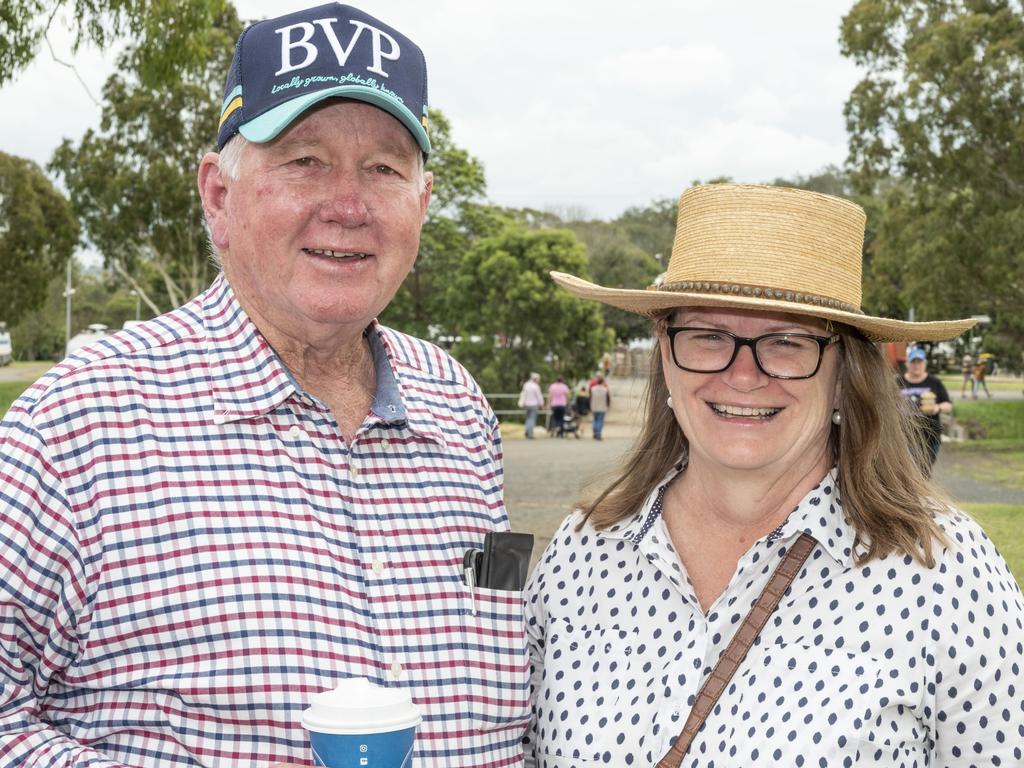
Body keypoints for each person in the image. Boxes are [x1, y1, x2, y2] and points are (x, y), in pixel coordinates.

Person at [0, 6, 529, 766]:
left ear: (422, 200)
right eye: (304, 160)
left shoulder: (460, 407)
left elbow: (496, 628)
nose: (347, 206)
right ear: (218, 195)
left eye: (384, 168)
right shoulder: (75, 427)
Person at [524, 184, 1023, 766]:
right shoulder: (582, 553)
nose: (742, 375)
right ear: (666, 351)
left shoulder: (945, 572)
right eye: (707, 336)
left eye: (786, 341)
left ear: (843, 372)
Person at [897, 347, 952, 466]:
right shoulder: (898, 381)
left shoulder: (934, 382)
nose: (916, 365)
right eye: (913, 362)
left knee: (924, 473)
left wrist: (937, 408)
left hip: (931, 437)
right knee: (906, 473)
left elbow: (947, 405)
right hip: (904, 438)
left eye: (919, 362)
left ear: (924, 363)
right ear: (907, 363)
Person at [519, 372, 544, 439]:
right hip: (534, 405)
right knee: (532, 419)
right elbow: (539, 396)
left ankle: (527, 431)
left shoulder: (526, 385)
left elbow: (523, 394)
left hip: (527, 405)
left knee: (528, 418)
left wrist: (523, 403)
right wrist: (541, 404)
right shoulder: (536, 386)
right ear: (535, 379)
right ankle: (530, 434)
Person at [588, 373, 610, 440]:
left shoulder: (592, 389)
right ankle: (598, 433)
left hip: (594, 406)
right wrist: (608, 405)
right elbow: (608, 398)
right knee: (600, 421)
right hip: (602, 407)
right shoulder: (605, 389)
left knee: (595, 420)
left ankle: (595, 432)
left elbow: (590, 398)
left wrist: (589, 406)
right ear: (602, 382)